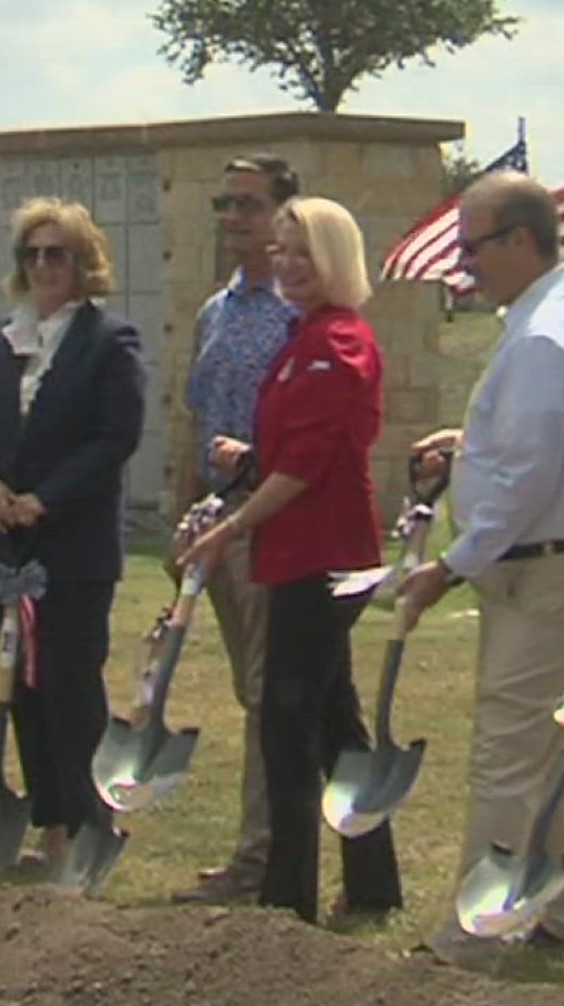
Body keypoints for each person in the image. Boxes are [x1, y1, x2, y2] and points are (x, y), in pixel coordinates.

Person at [395, 172, 564, 969]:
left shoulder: (546, 335)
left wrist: (449, 569)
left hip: (553, 572)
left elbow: (531, 482)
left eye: (475, 247)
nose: (464, 265)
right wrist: (469, 448)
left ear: (522, 241)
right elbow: (545, 450)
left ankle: (474, 936)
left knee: (507, 752)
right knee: (543, 745)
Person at [179, 196, 402, 926]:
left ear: (336, 260)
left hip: (322, 557)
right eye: (280, 252)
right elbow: (297, 447)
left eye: (302, 253)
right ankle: (372, 884)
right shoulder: (302, 337)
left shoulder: (337, 343)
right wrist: (251, 460)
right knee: (336, 722)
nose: (287, 266)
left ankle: (286, 900)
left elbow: (310, 465)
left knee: (289, 720)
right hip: (296, 550)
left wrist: (232, 525)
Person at [0, 197, 145, 872]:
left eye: (56, 253)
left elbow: (114, 437)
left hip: (71, 549)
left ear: (83, 262)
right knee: (20, 688)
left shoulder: (108, 341)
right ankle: (51, 823)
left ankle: (93, 821)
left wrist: (46, 499)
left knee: (68, 687)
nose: (42, 266)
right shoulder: (2, 339)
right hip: (3, 543)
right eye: (31, 254)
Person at [170, 153, 301, 905]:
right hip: (215, 525)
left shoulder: (297, 311)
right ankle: (268, 847)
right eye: (225, 204)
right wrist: (189, 514)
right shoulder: (216, 311)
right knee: (251, 695)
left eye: (249, 204)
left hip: (271, 522)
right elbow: (195, 416)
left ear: (284, 211)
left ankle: (261, 859)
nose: (234, 218)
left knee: (268, 692)